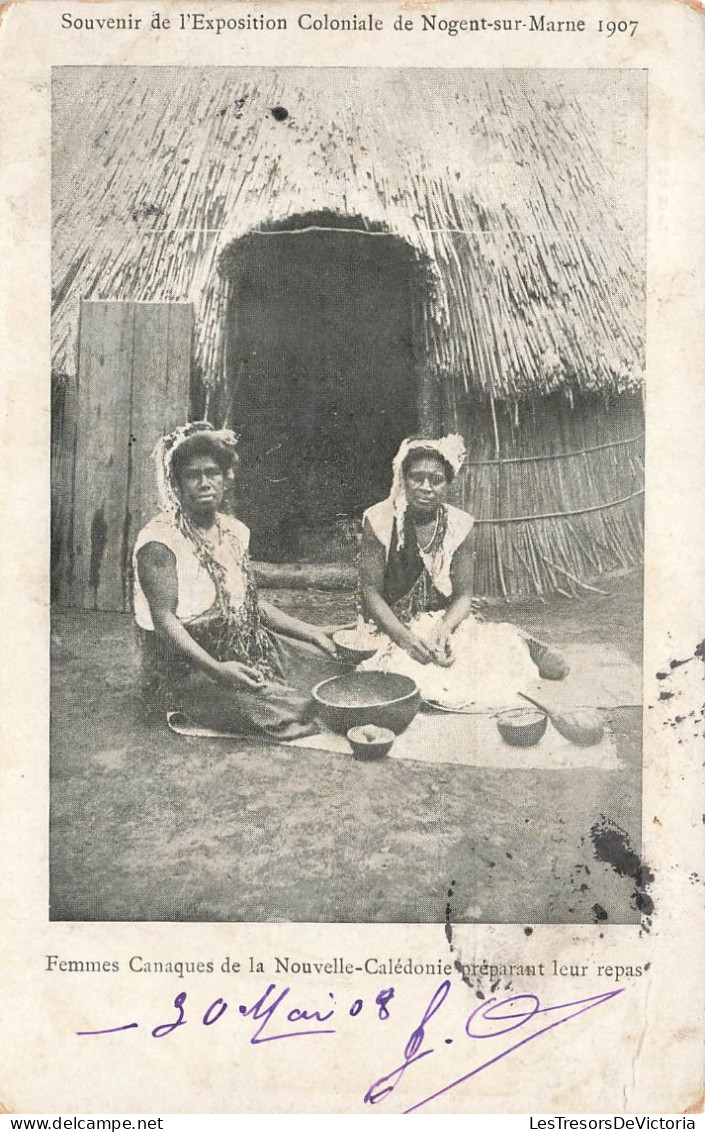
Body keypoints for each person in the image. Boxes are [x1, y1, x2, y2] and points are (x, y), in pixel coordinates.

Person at [133, 422, 344, 740]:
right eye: (193, 475)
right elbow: (164, 621)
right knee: (292, 710)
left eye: (212, 473)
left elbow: (248, 605)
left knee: (333, 677)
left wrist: (311, 632)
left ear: (226, 478)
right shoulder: (159, 541)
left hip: (240, 643)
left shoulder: (234, 531)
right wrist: (216, 669)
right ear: (176, 484)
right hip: (187, 664)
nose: (204, 483)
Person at [357, 435, 568, 710]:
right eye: (417, 477)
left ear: (448, 484)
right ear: (403, 478)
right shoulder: (380, 519)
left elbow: (463, 595)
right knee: (400, 675)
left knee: (483, 656)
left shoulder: (460, 524)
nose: (426, 487)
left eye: (436, 480)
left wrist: (442, 631)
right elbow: (370, 592)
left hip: (440, 622)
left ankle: (527, 646)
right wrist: (405, 638)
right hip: (390, 626)